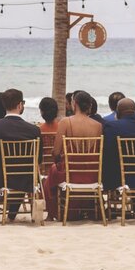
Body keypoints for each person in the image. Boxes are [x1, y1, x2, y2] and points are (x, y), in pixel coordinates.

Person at [43, 91, 103, 220]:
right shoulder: (98, 125)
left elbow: (56, 152)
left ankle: (52, 213)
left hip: (71, 173)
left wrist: (58, 162)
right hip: (92, 173)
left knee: (52, 173)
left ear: (74, 104)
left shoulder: (65, 122)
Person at [0, 89, 41, 219]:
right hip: (27, 178)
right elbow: (39, 158)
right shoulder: (34, 130)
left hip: (2, 177)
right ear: (20, 105)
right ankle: (12, 213)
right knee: (22, 172)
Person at [102, 98, 135, 193]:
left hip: (120, 178)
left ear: (117, 112)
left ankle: (108, 204)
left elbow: (108, 152)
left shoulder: (112, 126)